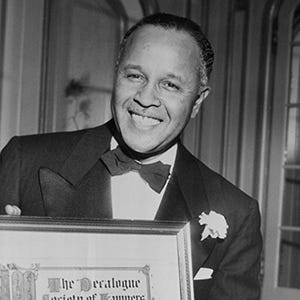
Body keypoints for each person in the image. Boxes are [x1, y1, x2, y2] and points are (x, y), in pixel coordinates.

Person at [0, 13, 262, 300]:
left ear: (197, 101)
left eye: (170, 85)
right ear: (117, 74)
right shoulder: (25, 160)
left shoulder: (235, 212)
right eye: (135, 76)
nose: (146, 98)